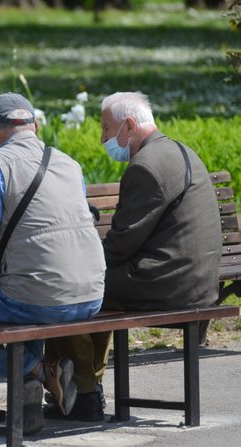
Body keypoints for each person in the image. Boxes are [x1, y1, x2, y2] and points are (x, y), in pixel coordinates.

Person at [44, 92, 221, 422]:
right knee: (95, 290)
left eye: (107, 129)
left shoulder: (146, 167)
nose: (102, 139)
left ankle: (81, 392)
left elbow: (121, 244)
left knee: (65, 289)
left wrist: (80, 263)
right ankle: (81, 388)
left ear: (128, 125)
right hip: (196, 280)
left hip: (167, 284)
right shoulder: (179, 151)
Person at [0, 92, 106, 426]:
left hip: (40, 298)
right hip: (93, 295)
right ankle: (34, 392)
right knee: (27, 297)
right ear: (35, 126)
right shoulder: (69, 163)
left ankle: (38, 370)